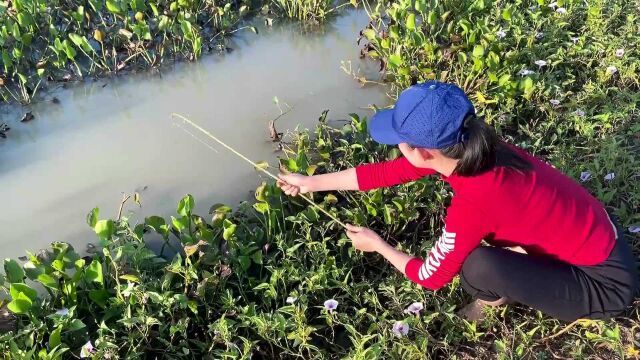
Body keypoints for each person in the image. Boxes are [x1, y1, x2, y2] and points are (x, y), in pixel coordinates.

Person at [276, 81, 638, 322]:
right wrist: (310, 183)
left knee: (477, 267)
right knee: (500, 243)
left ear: (425, 152)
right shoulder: (480, 149)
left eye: (401, 142)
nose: (399, 149)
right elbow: (384, 174)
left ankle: (491, 302)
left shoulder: (473, 204)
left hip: (606, 287)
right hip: (603, 242)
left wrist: (378, 245)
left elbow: (430, 277)